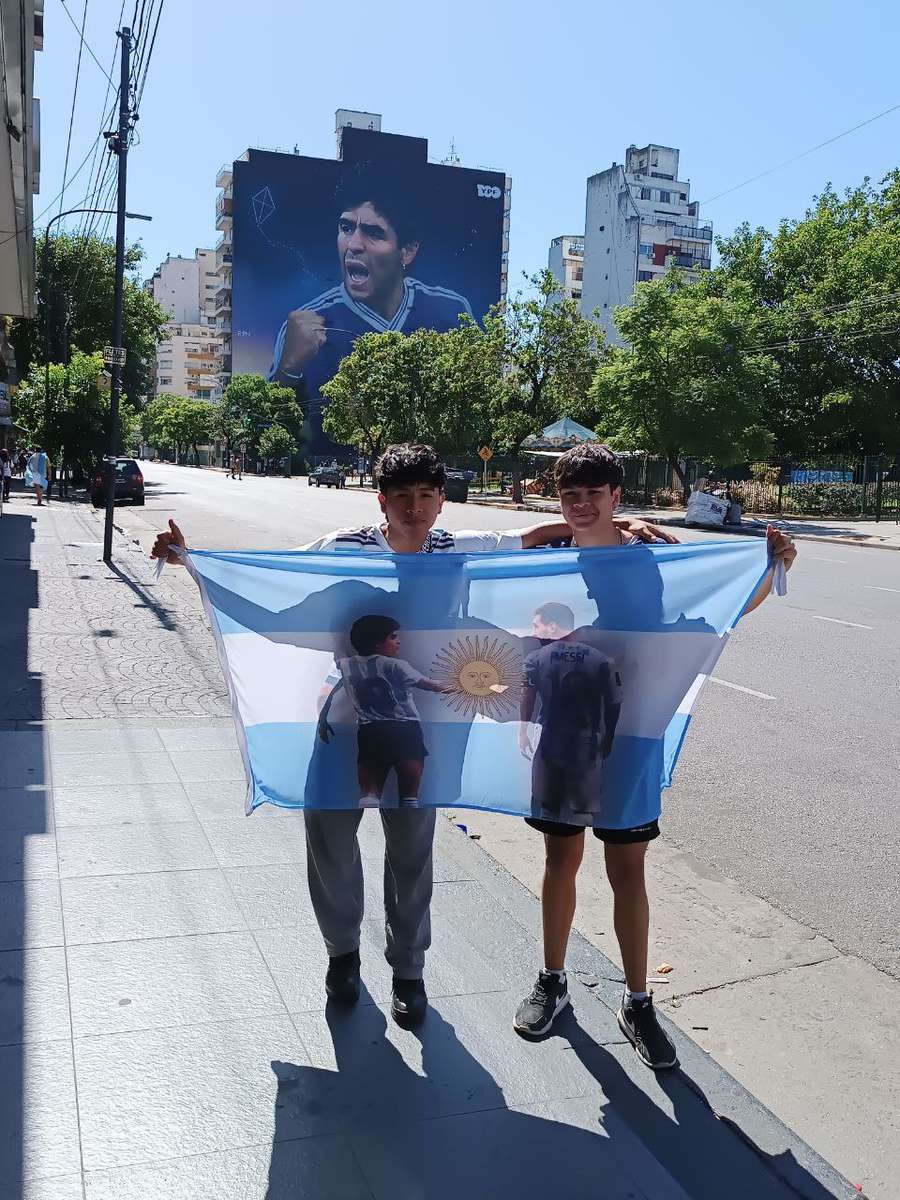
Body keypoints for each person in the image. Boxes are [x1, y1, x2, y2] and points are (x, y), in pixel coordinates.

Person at [151, 442, 676, 1030]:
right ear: (381, 500)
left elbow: (523, 542)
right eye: (402, 496)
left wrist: (612, 521)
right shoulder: (342, 548)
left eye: (427, 495)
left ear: (442, 501)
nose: (415, 507)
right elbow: (274, 575)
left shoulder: (451, 547)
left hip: (413, 732)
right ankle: (342, 957)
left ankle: (408, 972)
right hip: (342, 727)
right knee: (329, 846)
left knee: (411, 856)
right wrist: (191, 560)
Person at [512, 442, 797, 1069]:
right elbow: (473, 574)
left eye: (595, 493)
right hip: (564, 735)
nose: (583, 505)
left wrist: (765, 568)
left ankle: (638, 999)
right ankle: (552, 979)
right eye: (571, 495)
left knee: (627, 869)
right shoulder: (545, 563)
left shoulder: (652, 560)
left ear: (617, 495)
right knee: (561, 857)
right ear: (559, 500)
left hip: (632, 733)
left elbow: (711, 614)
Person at [267, 170, 476, 453]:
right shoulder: (304, 326)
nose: (354, 245)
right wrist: (287, 370)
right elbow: (268, 424)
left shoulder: (451, 312)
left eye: (373, 233)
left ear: (407, 251)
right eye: (346, 228)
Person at [319, 615, 453, 809]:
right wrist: (467, 686)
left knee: (369, 794)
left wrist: (323, 719)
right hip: (406, 731)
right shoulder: (396, 665)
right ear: (376, 643)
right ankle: (406, 830)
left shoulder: (346, 665)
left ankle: (368, 827)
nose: (398, 641)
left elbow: (336, 665)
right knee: (409, 794)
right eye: (392, 637)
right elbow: (432, 686)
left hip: (369, 731)